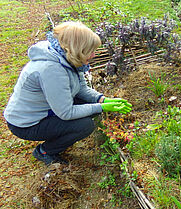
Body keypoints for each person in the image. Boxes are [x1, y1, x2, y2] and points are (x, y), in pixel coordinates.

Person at [3, 21, 132, 165]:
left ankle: (58, 136)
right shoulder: (51, 70)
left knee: (91, 108)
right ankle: (44, 151)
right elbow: (66, 112)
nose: (94, 55)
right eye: (90, 51)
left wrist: (101, 99)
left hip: (46, 110)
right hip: (27, 123)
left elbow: (81, 88)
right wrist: (100, 107)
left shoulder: (66, 58)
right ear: (77, 49)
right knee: (84, 125)